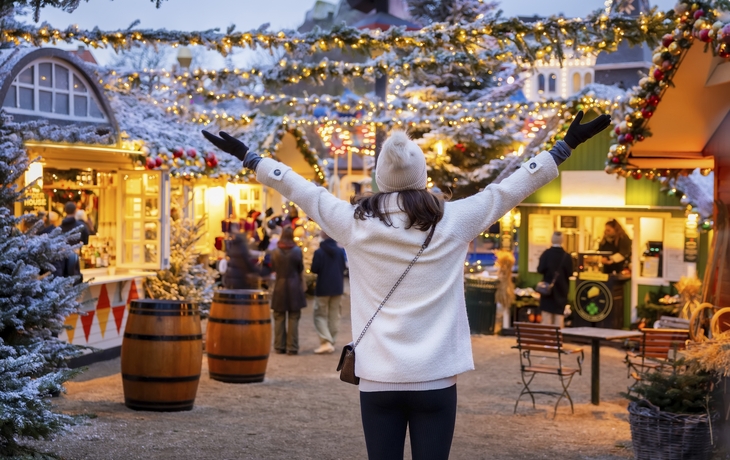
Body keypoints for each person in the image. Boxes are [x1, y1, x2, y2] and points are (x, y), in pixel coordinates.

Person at [203, 110, 611, 460]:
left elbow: (300, 189)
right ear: (423, 175)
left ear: (380, 177)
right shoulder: (454, 220)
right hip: (436, 378)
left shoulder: (353, 223)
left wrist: (251, 157)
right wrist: (565, 146)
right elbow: (509, 189)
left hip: (378, 377)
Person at [270, 226, 307, 355]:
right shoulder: (297, 251)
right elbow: (300, 268)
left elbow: (273, 267)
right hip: (294, 285)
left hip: (279, 286)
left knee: (279, 316)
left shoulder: (275, 251)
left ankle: (279, 346)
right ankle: (292, 347)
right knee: (294, 317)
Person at [311, 231, 348, 354]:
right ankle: (331, 341)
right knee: (334, 315)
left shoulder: (319, 252)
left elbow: (314, 269)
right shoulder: (340, 251)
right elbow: (344, 267)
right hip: (337, 287)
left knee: (319, 315)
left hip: (323, 287)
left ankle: (325, 341)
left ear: (322, 237)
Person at [537, 231, 573, 328]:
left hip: (547, 291)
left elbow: (540, 269)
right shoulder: (567, 256)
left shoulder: (546, 254)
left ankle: (546, 337)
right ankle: (557, 337)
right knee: (559, 319)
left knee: (546, 319)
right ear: (562, 240)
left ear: (552, 239)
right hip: (561, 291)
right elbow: (570, 273)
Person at [223, 224, 262, 290]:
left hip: (232, 277)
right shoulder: (242, 247)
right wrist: (259, 271)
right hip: (240, 278)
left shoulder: (233, 246)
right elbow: (247, 262)